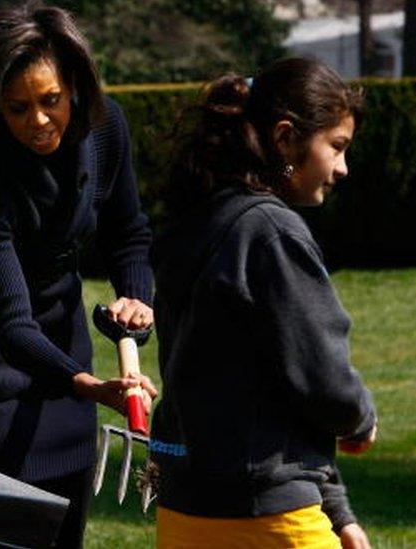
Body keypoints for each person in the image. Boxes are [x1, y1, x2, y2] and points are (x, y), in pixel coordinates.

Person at [0, 4, 157, 547]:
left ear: (74, 87)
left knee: (65, 508)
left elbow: (127, 231)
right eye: (17, 108)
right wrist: (88, 386)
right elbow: (11, 326)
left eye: (51, 101)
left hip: (57, 318)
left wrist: (136, 297)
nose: (39, 122)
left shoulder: (106, 128)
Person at [149, 57, 377, 548]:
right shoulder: (271, 233)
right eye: (336, 147)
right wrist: (362, 417)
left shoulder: (194, 224)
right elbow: (321, 380)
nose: (342, 167)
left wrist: (337, 511)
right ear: (285, 139)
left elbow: (262, 387)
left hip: (182, 514)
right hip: (267, 523)